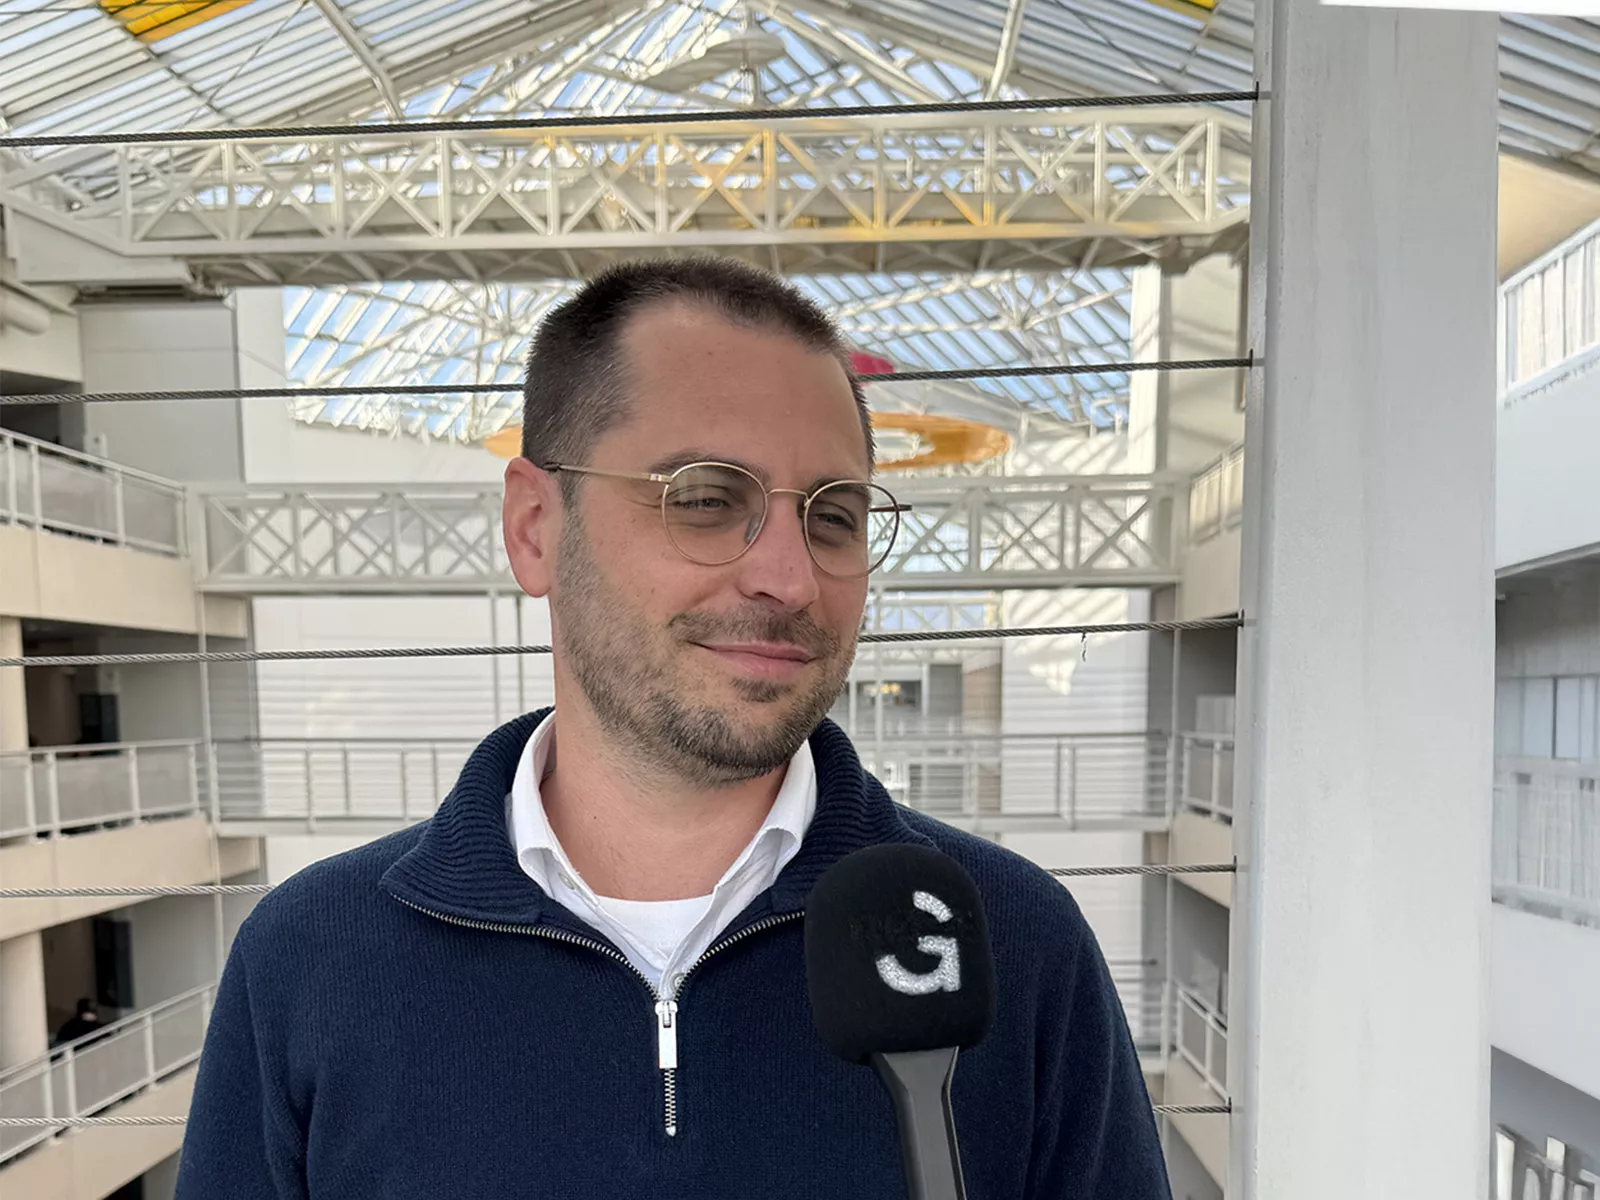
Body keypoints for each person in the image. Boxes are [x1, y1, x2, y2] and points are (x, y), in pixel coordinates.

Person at [175, 258, 1171, 1199]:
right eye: (703, 499)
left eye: (834, 516)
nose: (789, 577)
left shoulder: (1014, 945)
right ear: (534, 527)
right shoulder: (311, 962)